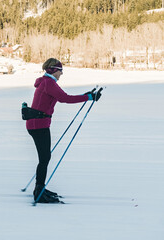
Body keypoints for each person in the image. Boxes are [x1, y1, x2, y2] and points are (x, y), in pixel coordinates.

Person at [26, 58, 101, 203]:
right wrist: (88, 97)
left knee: (44, 158)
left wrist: (86, 96)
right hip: (38, 125)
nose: (62, 74)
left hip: (38, 124)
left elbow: (62, 98)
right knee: (44, 158)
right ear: (54, 70)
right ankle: (39, 192)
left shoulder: (46, 82)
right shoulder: (49, 83)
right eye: (61, 70)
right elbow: (65, 98)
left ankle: (40, 188)